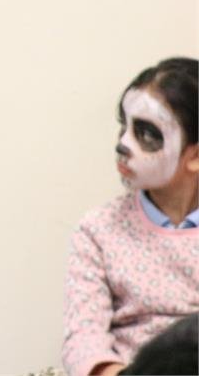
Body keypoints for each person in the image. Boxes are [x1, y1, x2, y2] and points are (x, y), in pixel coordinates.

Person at [62, 57, 199, 376]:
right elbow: (83, 341)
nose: (124, 144)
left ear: (195, 155)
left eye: (146, 133)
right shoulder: (98, 230)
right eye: (124, 126)